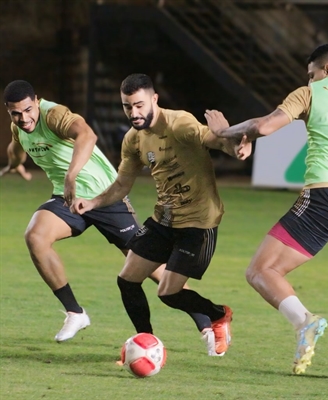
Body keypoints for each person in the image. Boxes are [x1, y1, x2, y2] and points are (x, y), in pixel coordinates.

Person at [205, 43, 328, 373]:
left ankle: (304, 321)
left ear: (326, 71)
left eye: (311, 75)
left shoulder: (310, 94)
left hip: (325, 197)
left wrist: (225, 131)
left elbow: (265, 126)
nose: (308, 81)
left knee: (260, 271)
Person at [2, 80, 212, 346]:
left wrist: (71, 174)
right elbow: (17, 148)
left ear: (37, 101)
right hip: (69, 200)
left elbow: (87, 135)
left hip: (105, 197)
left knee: (148, 267)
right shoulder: (19, 127)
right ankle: (75, 313)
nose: (24, 118)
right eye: (15, 113)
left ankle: (206, 321)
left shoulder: (53, 115)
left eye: (28, 110)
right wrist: (13, 165)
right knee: (35, 236)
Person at [71, 73, 251, 356]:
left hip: (198, 224)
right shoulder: (133, 140)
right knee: (127, 280)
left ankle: (218, 314)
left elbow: (217, 143)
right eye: (127, 106)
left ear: (154, 99)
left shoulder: (180, 123)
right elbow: (121, 185)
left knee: (168, 293)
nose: (134, 112)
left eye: (140, 105)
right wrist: (92, 203)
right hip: (164, 220)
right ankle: (146, 345)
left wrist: (233, 141)